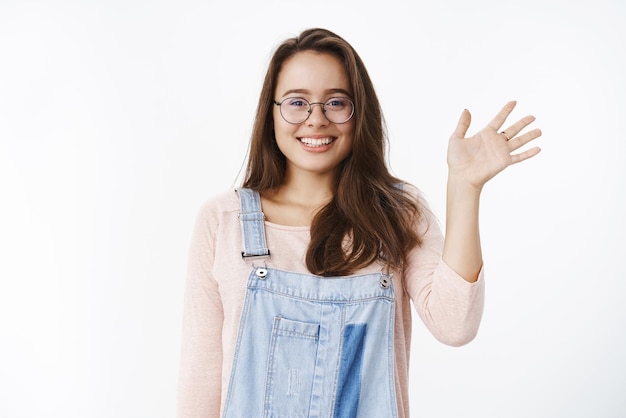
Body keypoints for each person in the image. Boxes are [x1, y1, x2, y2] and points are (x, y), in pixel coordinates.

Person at [177, 28, 542, 418]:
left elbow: (456, 325)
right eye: (297, 102)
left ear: (358, 112)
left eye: (336, 102)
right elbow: (201, 380)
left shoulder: (398, 212)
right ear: (271, 112)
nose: (316, 120)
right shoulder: (223, 220)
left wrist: (464, 187)